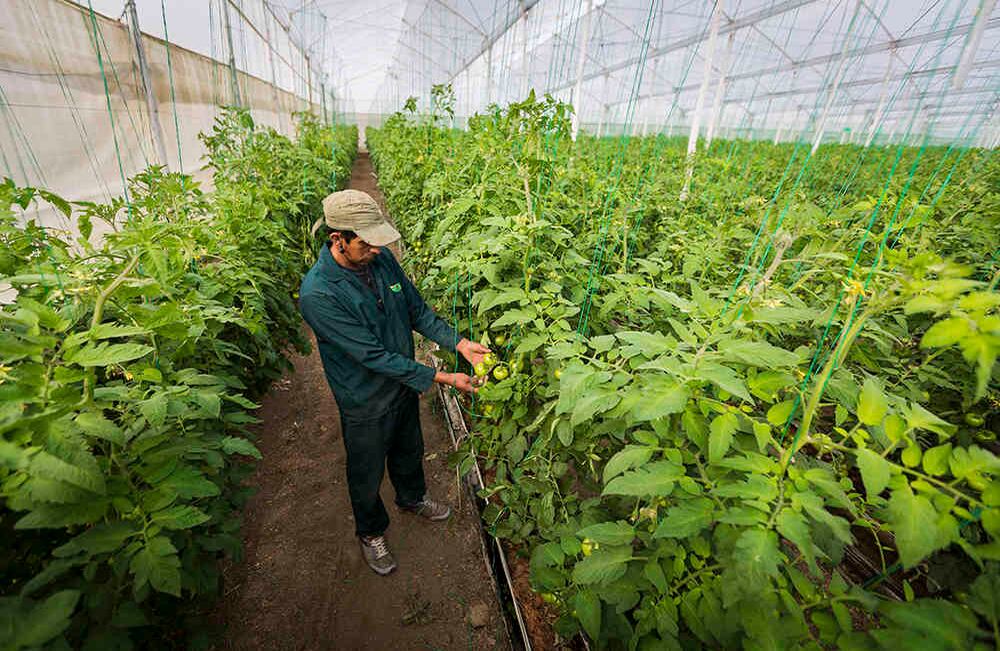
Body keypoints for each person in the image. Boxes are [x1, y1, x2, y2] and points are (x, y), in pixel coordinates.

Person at [298, 189, 488, 576]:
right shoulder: (318, 293)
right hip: (363, 397)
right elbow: (371, 356)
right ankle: (371, 531)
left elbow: (417, 311)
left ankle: (412, 497)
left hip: (401, 384)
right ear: (338, 240)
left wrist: (461, 343)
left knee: (409, 447)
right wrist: (440, 376)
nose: (375, 249)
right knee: (366, 470)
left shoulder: (381, 261)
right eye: (365, 242)